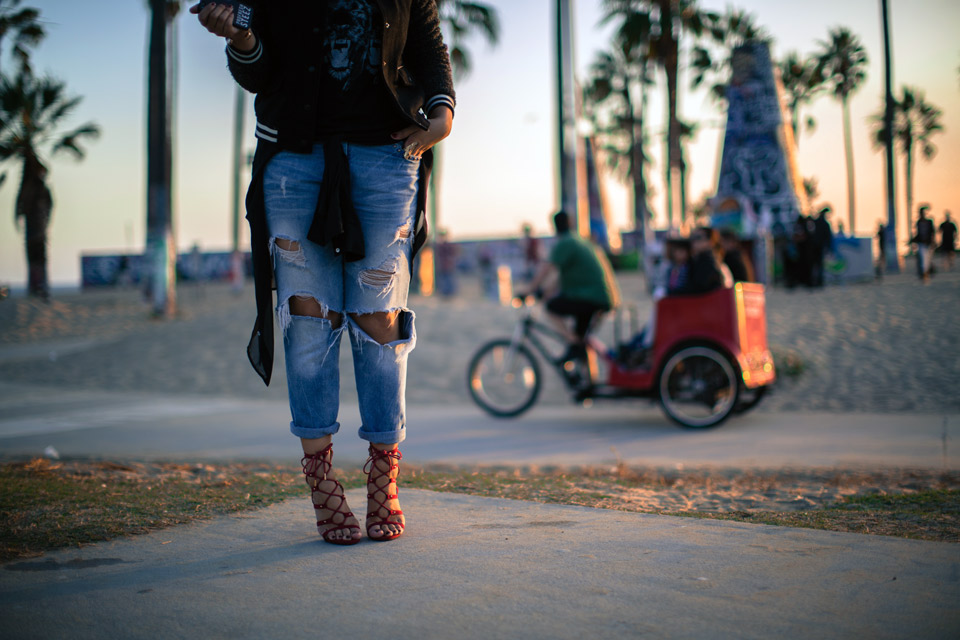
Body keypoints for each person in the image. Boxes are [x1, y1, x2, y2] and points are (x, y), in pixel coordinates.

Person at [191, 1, 455, 545]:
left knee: (380, 320)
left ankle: (384, 474)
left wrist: (443, 112)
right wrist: (239, 39)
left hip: (387, 158)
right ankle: (320, 480)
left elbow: (428, 47)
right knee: (308, 316)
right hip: (294, 160)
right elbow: (258, 70)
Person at [523, 211, 620, 363]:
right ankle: (585, 376)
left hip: (592, 297)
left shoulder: (565, 243)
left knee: (552, 308)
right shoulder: (579, 241)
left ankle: (573, 344)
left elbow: (546, 270)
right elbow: (561, 277)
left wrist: (529, 290)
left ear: (554, 227)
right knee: (581, 338)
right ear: (571, 223)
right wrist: (546, 291)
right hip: (602, 296)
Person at [811, 206, 834, 287]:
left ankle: (815, 281)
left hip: (814, 246)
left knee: (815, 264)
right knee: (819, 264)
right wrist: (828, 247)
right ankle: (819, 281)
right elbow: (828, 237)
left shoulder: (815, 222)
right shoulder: (825, 224)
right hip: (820, 246)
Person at [914, 204, 935, 282]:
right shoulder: (919, 222)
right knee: (923, 258)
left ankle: (926, 273)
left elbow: (932, 232)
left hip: (928, 243)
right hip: (921, 243)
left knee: (928, 258)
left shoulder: (929, 222)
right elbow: (917, 233)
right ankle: (924, 274)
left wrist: (933, 241)